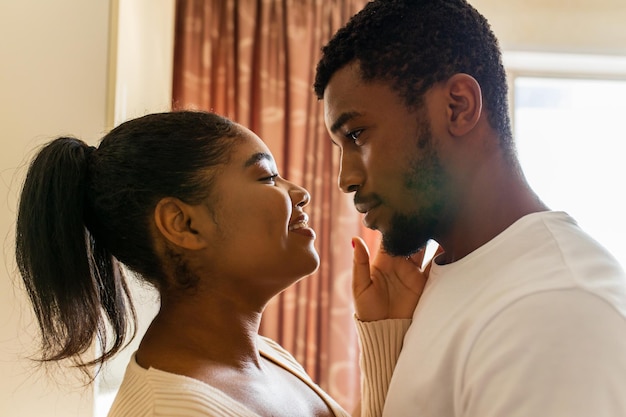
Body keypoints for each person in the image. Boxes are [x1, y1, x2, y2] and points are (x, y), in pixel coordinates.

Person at [314, 0, 626, 416]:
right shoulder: (448, 278)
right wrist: (388, 339)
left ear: (457, 106)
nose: (345, 179)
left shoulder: (556, 309)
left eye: (357, 134)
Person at [14, 110, 353, 417]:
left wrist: (385, 327)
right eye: (266, 177)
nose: (300, 192)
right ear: (183, 224)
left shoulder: (269, 356)